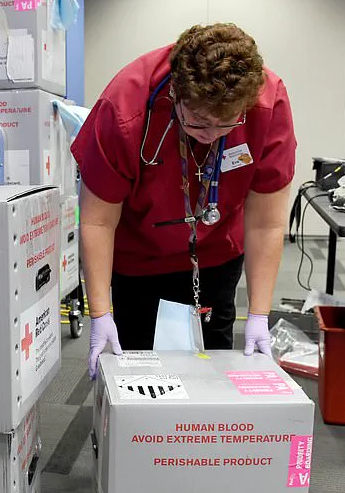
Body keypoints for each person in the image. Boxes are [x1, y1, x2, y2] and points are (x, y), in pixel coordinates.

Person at [71, 23, 296, 379]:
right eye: (199, 122)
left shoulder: (268, 104)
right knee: (141, 377)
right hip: (139, 259)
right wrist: (100, 313)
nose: (211, 135)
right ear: (175, 92)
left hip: (218, 255)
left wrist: (258, 314)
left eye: (227, 124)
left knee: (212, 375)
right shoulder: (125, 107)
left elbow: (265, 222)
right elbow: (97, 220)